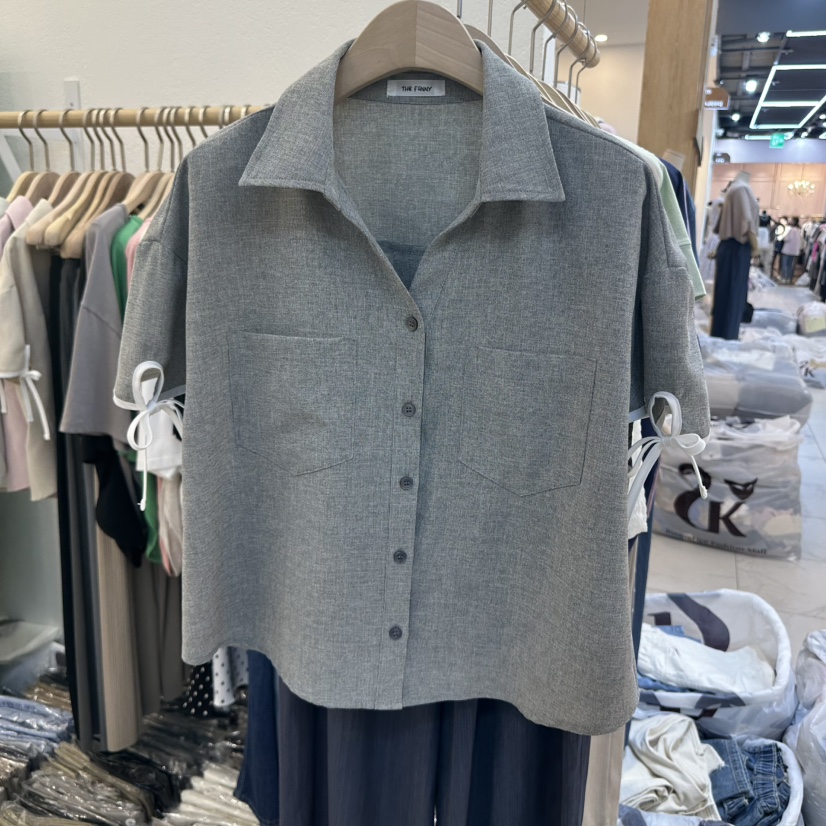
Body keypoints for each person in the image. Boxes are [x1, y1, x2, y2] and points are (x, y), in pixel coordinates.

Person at [780, 216, 802, 284]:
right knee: (791, 265)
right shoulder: (799, 230)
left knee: (785, 264)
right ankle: (789, 279)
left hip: (787, 250)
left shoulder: (791, 230)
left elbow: (787, 238)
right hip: (795, 251)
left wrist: (783, 237)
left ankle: (784, 278)